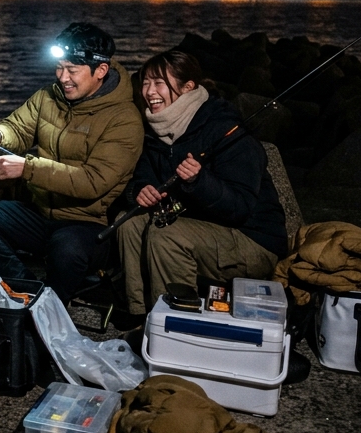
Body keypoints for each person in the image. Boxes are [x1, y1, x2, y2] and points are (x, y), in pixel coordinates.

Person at [0, 23, 143, 301]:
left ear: (100, 71)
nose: (63, 77)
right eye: (59, 67)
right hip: (40, 215)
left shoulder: (125, 119)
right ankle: (26, 287)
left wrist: (27, 168)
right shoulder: (47, 97)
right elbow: (17, 128)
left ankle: (52, 309)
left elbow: (92, 182)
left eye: (72, 70)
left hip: (91, 227)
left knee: (66, 248)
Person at [118, 50, 289, 315]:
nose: (149, 91)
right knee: (129, 223)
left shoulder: (224, 128)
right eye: (145, 82)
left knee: (166, 236)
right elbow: (144, 174)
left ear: (188, 87)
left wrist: (200, 181)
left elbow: (240, 207)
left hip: (252, 239)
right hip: (197, 225)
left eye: (159, 83)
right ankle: (141, 315)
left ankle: (177, 320)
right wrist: (141, 191)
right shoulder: (157, 130)